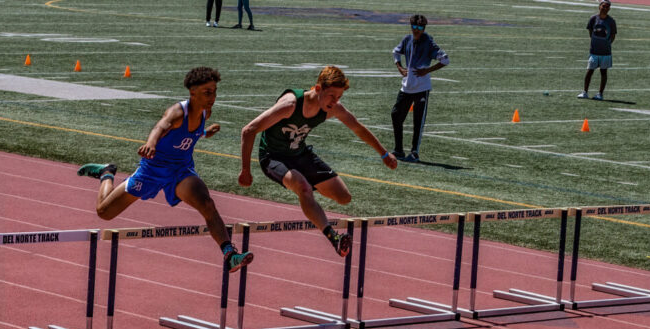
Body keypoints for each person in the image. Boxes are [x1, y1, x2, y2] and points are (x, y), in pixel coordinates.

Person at [77, 67, 253, 272]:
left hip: (180, 171)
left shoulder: (206, 112)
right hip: (152, 171)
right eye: (207, 92)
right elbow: (160, 127)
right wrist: (151, 144)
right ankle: (107, 173)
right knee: (104, 212)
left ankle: (229, 254)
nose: (212, 97)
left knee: (207, 204)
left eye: (214, 91)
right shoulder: (177, 112)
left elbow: (186, 135)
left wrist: (204, 133)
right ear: (192, 92)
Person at [238, 66, 397, 257]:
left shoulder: (332, 108)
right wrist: (245, 170)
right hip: (273, 157)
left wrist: (384, 153)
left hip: (300, 154)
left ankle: (308, 195)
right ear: (318, 88)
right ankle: (333, 237)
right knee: (303, 187)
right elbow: (249, 130)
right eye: (332, 96)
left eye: (339, 97)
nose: (335, 102)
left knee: (344, 197)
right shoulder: (290, 105)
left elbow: (357, 128)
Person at [390, 14, 449, 163]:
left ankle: (414, 153)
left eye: (420, 27)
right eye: (414, 27)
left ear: (424, 28)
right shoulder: (407, 39)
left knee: (418, 121)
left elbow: (445, 59)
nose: (416, 30)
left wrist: (427, 70)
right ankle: (398, 150)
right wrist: (399, 67)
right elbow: (395, 52)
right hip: (406, 87)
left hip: (422, 88)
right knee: (396, 115)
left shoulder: (428, 42)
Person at [578, 0, 617, 101]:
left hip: (606, 52)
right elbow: (591, 32)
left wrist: (607, 44)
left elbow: (613, 35)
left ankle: (600, 94)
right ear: (599, 7)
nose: (605, 8)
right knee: (589, 71)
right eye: (603, 6)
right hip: (594, 51)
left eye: (607, 7)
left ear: (609, 9)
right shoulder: (593, 18)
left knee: (603, 72)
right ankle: (585, 92)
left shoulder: (611, 21)